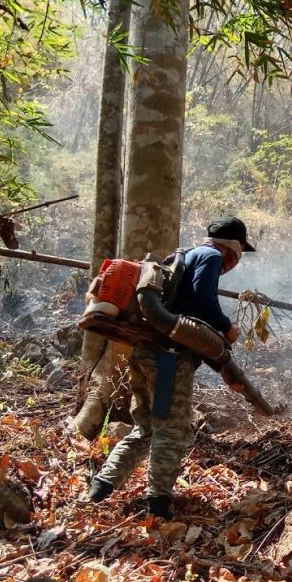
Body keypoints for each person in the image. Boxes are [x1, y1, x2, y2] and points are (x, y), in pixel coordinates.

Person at [87, 216, 257, 519]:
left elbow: (187, 315)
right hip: (168, 358)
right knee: (173, 430)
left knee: (147, 428)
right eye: (241, 250)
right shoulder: (211, 256)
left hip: (146, 351)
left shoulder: (188, 255)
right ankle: (159, 503)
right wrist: (227, 327)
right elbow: (203, 304)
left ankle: (101, 487)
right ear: (235, 247)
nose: (236, 261)